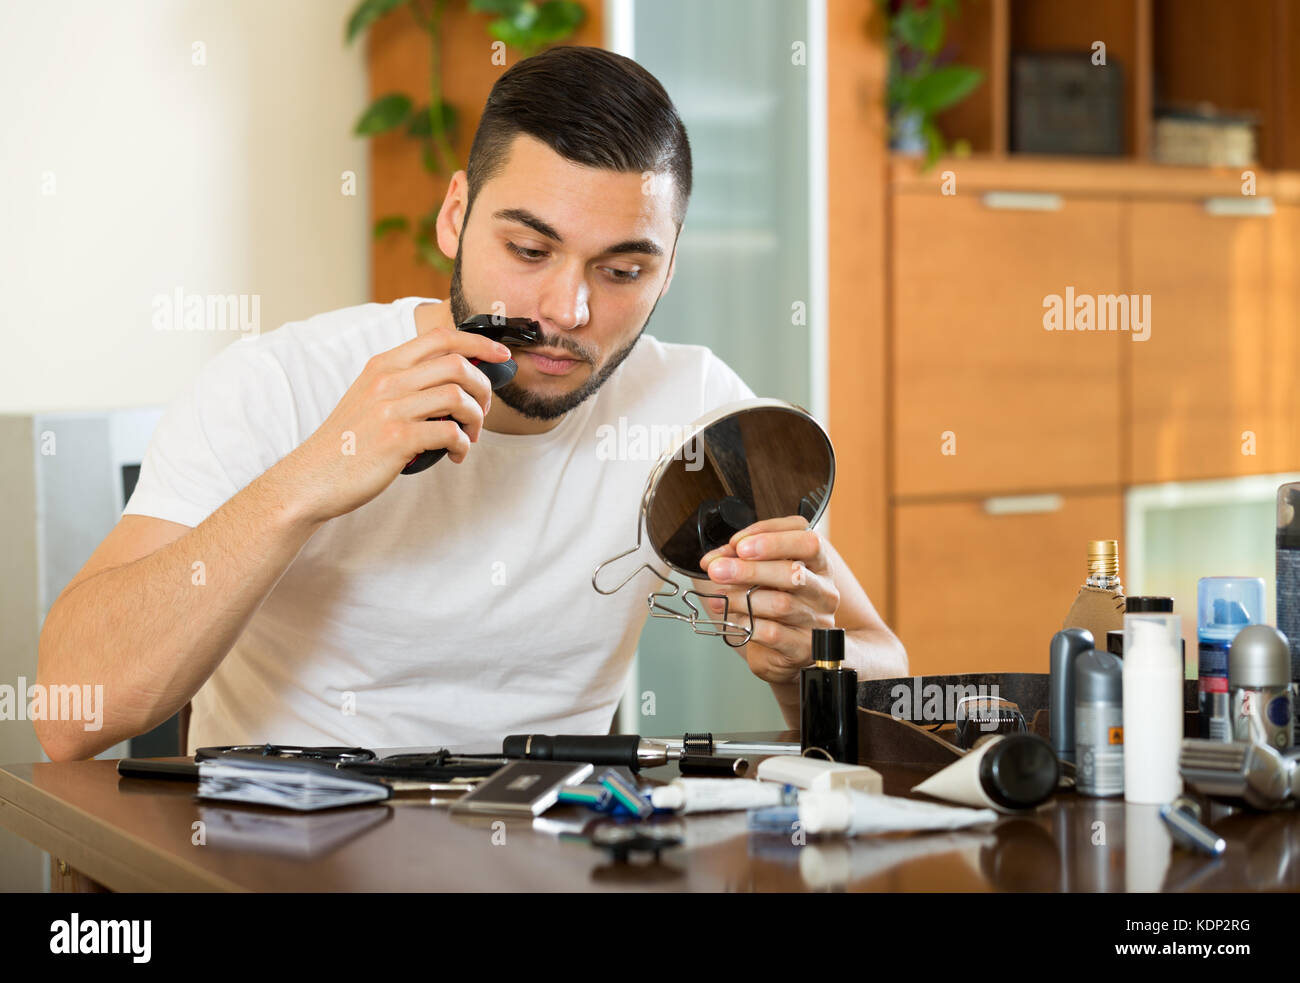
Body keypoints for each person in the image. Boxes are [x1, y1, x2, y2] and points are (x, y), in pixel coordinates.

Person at [35, 45, 905, 760]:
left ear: (669, 269)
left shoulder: (693, 411)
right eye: (529, 248)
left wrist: (802, 663)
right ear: (455, 216)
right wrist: (311, 479)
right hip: (279, 856)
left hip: (551, 854)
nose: (568, 311)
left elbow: (883, 672)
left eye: (624, 271)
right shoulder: (278, 383)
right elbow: (73, 709)